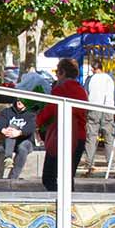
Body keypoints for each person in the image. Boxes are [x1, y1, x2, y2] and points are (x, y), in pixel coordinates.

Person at [42, 60, 88, 192]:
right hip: (79, 136)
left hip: (62, 137)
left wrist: (37, 122)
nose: (56, 75)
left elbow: (49, 110)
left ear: (62, 72)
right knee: (68, 177)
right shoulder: (81, 90)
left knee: (49, 177)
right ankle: (70, 207)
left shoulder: (61, 89)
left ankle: (58, 207)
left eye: (57, 72)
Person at [83, 58, 115, 173]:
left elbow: (85, 94)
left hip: (93, 108)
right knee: (109, 137)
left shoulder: (90, 79)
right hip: (108, 109)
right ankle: (111, 163)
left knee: (91, 137)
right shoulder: (110, 78)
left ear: (93, 69)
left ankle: (89, 162)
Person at [0, 95, 40, 181]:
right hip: (10, 142)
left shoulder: (32, 113)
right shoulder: (7, 112)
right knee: (11, 129)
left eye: (22, 100)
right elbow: (1, 123)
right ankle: (8, 158)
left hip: (26, 142)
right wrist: (3, 130)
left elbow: (31, 127)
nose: (19, 102)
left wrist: (19, 132)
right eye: (18, 100)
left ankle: (13, 177)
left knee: (23, 148)